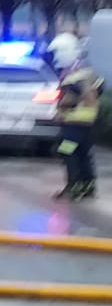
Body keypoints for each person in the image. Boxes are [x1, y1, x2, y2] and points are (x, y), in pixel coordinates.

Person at [50, 32, 102, 201]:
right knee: (83, 153)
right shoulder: (87, 70)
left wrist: (61, 110)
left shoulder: (73, 76)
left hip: (73, 123)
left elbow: (69, 99)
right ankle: (88, 185)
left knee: (67, 152)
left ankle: (74, 186)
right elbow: (99, 87)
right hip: (87, 123)